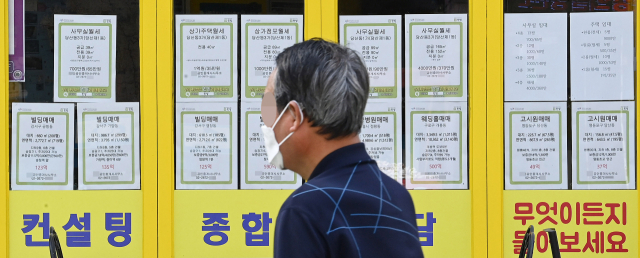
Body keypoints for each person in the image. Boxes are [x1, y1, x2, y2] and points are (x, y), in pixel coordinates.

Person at [260, 38, 424, 258]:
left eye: (269, 105)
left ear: (293, 116)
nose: (265, 121)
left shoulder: (305, 209)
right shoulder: (396, 195)